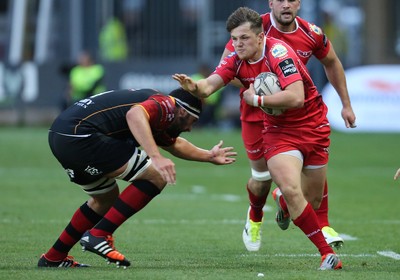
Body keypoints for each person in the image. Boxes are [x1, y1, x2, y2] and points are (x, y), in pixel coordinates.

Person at [173, 7, 342, 270]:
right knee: (289, 186)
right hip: (277, 131)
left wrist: (257, 99)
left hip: (313, 125)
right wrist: (194, 86)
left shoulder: (279, 53)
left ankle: (282, 201)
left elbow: (296, 97)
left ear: (260, 37)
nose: (237, 44)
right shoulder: (235, 59)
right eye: (234, 39)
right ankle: (326, 254)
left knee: (312, 200)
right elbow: (210, 84)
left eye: (244, 38)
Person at [37, 88, 237, 268]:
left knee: (105, 199)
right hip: (82, 135)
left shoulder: (159, 115)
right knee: (157, 175)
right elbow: (134, 115)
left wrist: (209, 156)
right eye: (192, 122)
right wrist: (156, 157)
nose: (190, 129)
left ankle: (54, 257)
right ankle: (99, 235)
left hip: (61, 136)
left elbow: (175, 145)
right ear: (183, 112)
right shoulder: (165, 104)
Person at [219, 0, 356, 251]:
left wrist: (345, 104)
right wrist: (263, 87)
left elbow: (332, 62)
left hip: (297, 114)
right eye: (279, 0)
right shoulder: (251, 29)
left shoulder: (311, 33)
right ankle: (255, 215)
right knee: (261, 180)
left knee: (309, 165)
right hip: (256, 113)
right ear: (271, 2)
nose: (285, 5)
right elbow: (227, 68)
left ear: (299, 4)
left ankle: (312, 218)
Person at [191, 63, 224, 127]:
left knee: (210, 110)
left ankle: (208, 124)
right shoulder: (195, 78)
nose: (204, 72)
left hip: (212, 105)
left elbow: (220, 95)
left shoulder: (214, 78)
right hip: (197, 102)